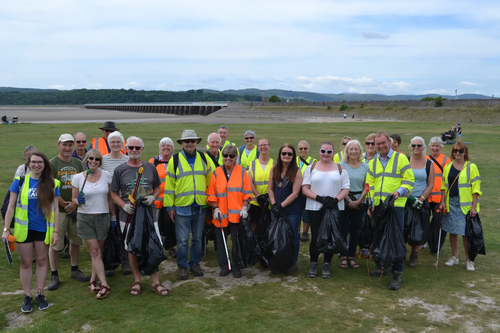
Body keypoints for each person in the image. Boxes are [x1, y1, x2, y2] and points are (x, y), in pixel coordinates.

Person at [2, 152, 60, 312]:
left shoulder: (53, 183)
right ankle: (27, 296)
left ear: (45, 164)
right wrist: (6, 230)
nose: (36, 165)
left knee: (42, 260)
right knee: (26, 262)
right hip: (24, 231)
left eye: (40, 162)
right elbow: (10, 207)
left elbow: (55, 210)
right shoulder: (19, 182)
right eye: (33, 162)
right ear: (28, 164)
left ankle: (40, 293)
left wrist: (56, 231)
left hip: (43, 230)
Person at [111, 136, 168, 296]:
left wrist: (153, 197)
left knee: (153, 244)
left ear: (142, 149)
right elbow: (113, 193)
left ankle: (156, 282)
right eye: (131, 147)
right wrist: (123, 206)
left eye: (137, 148)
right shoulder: (120, 170)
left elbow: (157, 188)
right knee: (132, 247)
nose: (134, 150)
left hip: (150, 214)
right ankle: (137, 280)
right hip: (128, 215)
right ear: (126, 148)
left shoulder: (150, 167)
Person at [367, 131, 414, 290]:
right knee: (380, 237)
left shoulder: (400, 158)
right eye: (377, 144)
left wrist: (399, 192)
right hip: (379, 206)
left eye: (383, 143)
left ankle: (397, 273)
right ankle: (383, 266)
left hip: (396, 207)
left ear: (389, 142)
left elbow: (409, 180)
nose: (380, 146)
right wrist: (372, 202)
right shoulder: (373, 161)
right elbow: (371, 183)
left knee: (396, 239)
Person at [164, 130, 213, 281]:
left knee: (198, 238)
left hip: (200, 206)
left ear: (197, 142)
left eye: (192, 140)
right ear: (182, 143)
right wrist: (169, 207)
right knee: (183, 239)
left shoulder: (204, 158)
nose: (190, 143)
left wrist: (211, 202)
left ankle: (195, 263)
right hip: (181, 207)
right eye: (187, 141)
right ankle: (182, 266)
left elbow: (211, 181)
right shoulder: (175, 160)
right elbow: (170, 185)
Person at [302, 142, 350, 279]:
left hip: (334, 208)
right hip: (315, 207)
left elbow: (346, 188)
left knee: (330, 236)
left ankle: (326, 264)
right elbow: (305, 188)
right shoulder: (311, 168)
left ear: (333, 153)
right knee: (316, 236)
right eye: (323, 151)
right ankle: (313, 263)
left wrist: (336, 200)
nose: (326, 154)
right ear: (319, 151)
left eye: (329, 152)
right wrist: (318, 198)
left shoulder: (340, 169)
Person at [48, 134, 89, 291]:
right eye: (64, 144)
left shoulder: (78, 163)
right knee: (56, 243)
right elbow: (49, 188)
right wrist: (64, 204)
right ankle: (54, 274)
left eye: (70, 145)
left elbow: (84, 185)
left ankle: (74, 269)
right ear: (58, 145)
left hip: (75, 208)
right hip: (59, 210)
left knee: (76, 241)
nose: (67, 148)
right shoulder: (52, 163)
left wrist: (74, 203)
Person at [72, 150, 112, 299]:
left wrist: (113, 217)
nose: (93, 161)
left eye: (97, 159)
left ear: (100, 161)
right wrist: (78, 201)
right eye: (91, 159)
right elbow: (74, 199)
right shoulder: (77, 178)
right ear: (86, 160)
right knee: (94, 251)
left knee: (98, 252)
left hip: (102, 217)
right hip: (85, 218)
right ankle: (105, 285)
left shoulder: (106, 176)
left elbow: (110, 198)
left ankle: (92, 280)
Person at [207, 145, 252, 277]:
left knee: (236, 242)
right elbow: (211, 194)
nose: (228, 158)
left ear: (236, 158)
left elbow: (247, 193)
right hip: (220, 215)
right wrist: (215, 208)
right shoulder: (216, 173)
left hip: (237, 216)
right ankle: (224, 266)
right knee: (221, 243)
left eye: (231, 156)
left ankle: (237, 266)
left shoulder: (242, 172)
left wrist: (244, 207)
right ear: (222, 157)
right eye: (226, 155)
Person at [441, 142, 481, 271]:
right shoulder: (447, 166)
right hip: (451, 203)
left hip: (466, 205)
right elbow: (444, 186)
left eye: (461, 150)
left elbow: (476, 189)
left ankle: (469, 260)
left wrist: (474, 207)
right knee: (452, 230)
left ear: (465, 152)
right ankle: (454, 257)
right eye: (455, 150)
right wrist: (442, 202)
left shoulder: (472, 167)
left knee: (466, 233)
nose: (458, 153)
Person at [268, 144, 303, 274]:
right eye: (284, 154)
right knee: (276, 235)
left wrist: (281, 206)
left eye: (289, 154)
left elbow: (295, 193)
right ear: (280, 155)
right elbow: (270, 189)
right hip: (276, 208)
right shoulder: (274, 169)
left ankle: (292, 262)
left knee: (292, 235)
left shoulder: (296, 171)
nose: (286, 156)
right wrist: (273, 204)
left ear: (293, 156)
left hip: (292, 210)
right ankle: (276, 260)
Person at [101, 131, 131, 276]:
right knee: (109, 232)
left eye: (118, 142)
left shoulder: (127, 159)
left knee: (124, 231)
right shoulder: (103, 160)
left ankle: (125, 260)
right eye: (112, 142)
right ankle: (109, 262)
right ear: (108, 143)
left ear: (122, 144)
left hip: (124, 201)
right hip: (106, 202)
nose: (115, 144)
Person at [339, 140, 369, 269]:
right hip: (344, 199)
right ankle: (342, 255)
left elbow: (367, 186)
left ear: (360, 151)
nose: (353, 152)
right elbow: (339, 185)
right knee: (343, 229)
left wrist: (359, 200)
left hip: (360, 201)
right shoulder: (341, 165)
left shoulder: (366, 166)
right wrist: (348, 200)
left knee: (356, 230)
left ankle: (351, 256)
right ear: (347, 151)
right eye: (351, 149)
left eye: (356, 149)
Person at [406, 137, 434, 268]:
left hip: (421, 201)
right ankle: (401, 253)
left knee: (419, 229)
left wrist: (421, 199)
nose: (416, 148)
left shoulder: (429, 164)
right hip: (405, 198)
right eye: (413, 145)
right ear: (410, 147)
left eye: (419, 145)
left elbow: (430, 184)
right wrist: (408, 197)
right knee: (403, 227)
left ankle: (414, 254)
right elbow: (399, 180)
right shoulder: (405, 161)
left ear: (423, 147)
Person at [149, 137, 177, 258]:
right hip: (156, 201)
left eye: (169, 145)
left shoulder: (176, 161)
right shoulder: (153, 162)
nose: (166, 147)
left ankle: (171, 247)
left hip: (172, 201)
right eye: (163, 145)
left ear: (172, 148)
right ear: (160, 148)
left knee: (171, 225)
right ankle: (156, 247)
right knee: (155, 225)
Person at [248, 138, 274, 232]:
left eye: (265, 144)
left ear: (269, 146)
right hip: (256, 202)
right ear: (258, 147)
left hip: (269, 202)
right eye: (261, 145)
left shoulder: (274, 164)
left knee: (269, 227)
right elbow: (249, 182)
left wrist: (267, 195)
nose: (263, 147)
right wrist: (258, 195)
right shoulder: (253, 164)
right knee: (255, 227)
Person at [297, 140, 317, 242]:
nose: (303, 150)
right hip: (296, 191)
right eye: (301, 148)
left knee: (306, 212)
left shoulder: (313, 161)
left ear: (308, 149)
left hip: (307, 190)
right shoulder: (294, 160)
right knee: (297, 211)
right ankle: (297, 232)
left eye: (305, 148)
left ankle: (305, 232)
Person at [426, 137, 451, 211]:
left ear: (441, 147)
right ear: (430, 146)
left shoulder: (446, 160)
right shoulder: (425, 159)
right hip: (427, 197)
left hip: (440, 198)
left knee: (437, 222)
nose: (434, 148)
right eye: (433, 145)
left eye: (437, 146)